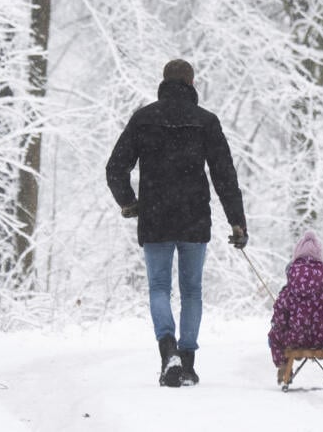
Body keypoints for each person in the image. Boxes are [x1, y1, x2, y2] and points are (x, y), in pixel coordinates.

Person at [105, 59, 248, 388]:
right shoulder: (205, 121)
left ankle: (167, 349)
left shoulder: (144, 118)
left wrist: (128, 202)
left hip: (155, 216)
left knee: (158, 287)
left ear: (164, 82)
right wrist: (237, 222)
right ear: (191, 83)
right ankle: (188, 362)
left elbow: (115, 167)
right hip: (194, 217)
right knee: (192, 291)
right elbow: (225, 175)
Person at [268, 231, 323, 386]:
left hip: (294, 338)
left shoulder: (288, 290)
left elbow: (279, 318)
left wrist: (281, 326)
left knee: (273, 335)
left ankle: (283, 369)